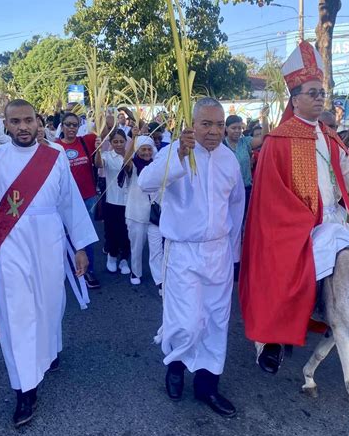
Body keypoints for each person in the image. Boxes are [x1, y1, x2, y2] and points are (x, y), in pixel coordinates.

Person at [240, 41, 349, 374]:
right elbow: (270, 199)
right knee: (293, 262)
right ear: (294, 98)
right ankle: (271, 340)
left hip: (332, 218)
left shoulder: (330, 136)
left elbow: (348, 183)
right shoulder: (279, 140)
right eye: (312, 93)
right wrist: (301, 221)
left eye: (322, 92)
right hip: (292, 225)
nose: (319, 98)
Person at [0, 99, 97, 428]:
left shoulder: (54, 156)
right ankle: (25, 388)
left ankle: (51, 348)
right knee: (17, 314)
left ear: (37, 121)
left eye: (28, 120)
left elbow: (70, 202)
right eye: (15, 122)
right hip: (11, 245)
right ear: (5, 125)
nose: (23, 127)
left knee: (50, 304)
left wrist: (81, 246)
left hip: (50, 241)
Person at [138, 97, 245, 417]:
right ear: (193, 124)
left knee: (215, 320)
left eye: (219, 124)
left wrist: (234, 249)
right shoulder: (175, 152)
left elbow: (236, 205)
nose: (213, 131)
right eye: (206, 124)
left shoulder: (229, 160)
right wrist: (178, 158)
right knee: (185, 321)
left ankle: (207, 384)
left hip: (219, 252)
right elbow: (146, 183)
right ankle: (175, 366)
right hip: (183, 252)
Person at [56, 112, 100, 289]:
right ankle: (67, 269)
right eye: (68, 124)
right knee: (64, 236)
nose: (71, 128)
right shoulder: (55, 146)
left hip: (87, 197)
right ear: (62, 126)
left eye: (75, 124)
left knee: (85, 236)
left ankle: (89, 271)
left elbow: (107, 127)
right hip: (64, 201)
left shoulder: (86, 140)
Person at [122, 135, 163, 288]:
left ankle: (159, 280)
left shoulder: (157, 165)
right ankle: (135, 271)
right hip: (136, 214)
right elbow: (125, 163)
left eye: (149, 149)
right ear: (137, 150)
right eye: (143, 149)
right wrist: (133, 139)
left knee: (157, 249)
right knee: (137, 247)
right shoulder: (132, 166)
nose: (146, 152)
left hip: (155, 216)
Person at [94, 129, 131, 274]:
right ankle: (112, 255)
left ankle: (124, 259)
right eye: (115, 141)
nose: (119, 144)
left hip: (129, 202)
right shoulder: (107, 156)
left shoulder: (131, 155)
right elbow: (98, 164)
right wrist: (97, 150)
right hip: (112, 201)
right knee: (112, 231)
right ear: (111, 143)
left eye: (121, 141)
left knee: (127, 233)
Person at [224, 108, 269, 214]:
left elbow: (264, 139)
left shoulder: (245, 142)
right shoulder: (221, 145)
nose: (237, 131)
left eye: (239, 128)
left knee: (246, 219)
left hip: (246, 189)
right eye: (233, 128)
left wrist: (264, 118)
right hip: (228, 191)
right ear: (226, 128)